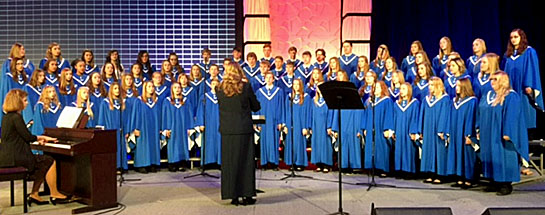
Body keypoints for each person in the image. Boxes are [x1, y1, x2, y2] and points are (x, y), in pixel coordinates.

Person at [0, 89, 69, 205]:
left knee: (43, 161)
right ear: (17, 102)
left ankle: (35, 193)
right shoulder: (16, 117)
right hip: (17, 157)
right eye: (25, 100)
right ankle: (54, 193)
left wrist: (39, 139)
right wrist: (42, 138)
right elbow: (28, 137)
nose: (27, 103)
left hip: (7, 156)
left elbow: (21, 137)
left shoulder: (7, 117)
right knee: (49, 160)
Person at [477, 71, 529, 195]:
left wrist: (508, 132)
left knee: (504, 155)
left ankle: (505, 184)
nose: (492, 82)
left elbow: (512, 116)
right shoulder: (488, 95)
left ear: (503, 81)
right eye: (491, 80)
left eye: (495, 80)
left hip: (501, 133)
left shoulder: (511, 96)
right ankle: (493, 181)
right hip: (488, 132)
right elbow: (480, 112)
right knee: (490, 154)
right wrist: (478, 128)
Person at [217, 63, 260, 205]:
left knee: (230, 163)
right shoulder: (245, 87)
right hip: (243, 129)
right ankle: (247, 195)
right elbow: (256, 106)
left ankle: (232, 195)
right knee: (246, 163)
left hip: (228, 131)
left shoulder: (219, 88)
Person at [502, 28, 543, 129]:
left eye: (516, 37)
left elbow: (532, 69)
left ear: (522, 38)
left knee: (525, 109)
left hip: (523, 87)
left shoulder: (529, 52)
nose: (513, 39)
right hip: (511, 87)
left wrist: (529, 84)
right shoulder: (508, 55)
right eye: (511, 37)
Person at [446, 78, 477, 189]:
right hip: (455, 132)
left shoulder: (472, 101)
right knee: (456, 153)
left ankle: (469, 179)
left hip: (465, 132)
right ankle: (459, 177)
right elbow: (449, 117)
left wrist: (469, 135)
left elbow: (471, 118)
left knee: (466, 154)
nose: (456, 88)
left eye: (458, 86)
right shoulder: (454, 101)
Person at [419, 77, 451, 184]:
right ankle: (430, 173)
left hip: (438, 129)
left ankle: (440, 174)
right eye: (429, 85)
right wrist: (421, 130)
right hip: (428, 128)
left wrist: (442, 130)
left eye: (432, 85)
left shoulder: (445, 99)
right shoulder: (426, 100)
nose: (429, 87)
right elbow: (422, 115)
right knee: (428, 149)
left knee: (439, 150)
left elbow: (445, 116)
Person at [362, 81, 394, 176]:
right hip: (370, 127)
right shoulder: (369, 101)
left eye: (378, 88)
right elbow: (365, 115)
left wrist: (387, 128)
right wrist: (364, 128)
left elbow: (389, 115)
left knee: (381, 147)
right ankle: (371, 167)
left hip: (381, 128)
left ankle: (382, 168)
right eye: (374, 87)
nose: (376, 89)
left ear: (383, 89)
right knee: (370, 147)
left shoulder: (386, 101)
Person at [255, 72, 284, 170]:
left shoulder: (279, 91)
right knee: (263, 142)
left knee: (274, 141)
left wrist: (280, 121)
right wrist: (258, 122)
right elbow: (257, 108)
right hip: (263, 120)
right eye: (266, 77)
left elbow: (281, 107)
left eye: (270, 77)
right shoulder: (259, 92)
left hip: (274, 120)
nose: (268, 79)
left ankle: (274, 163)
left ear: (273, 79)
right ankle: (264, 163)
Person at [161, 82, 192, 172]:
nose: (177, 89)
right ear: (172, 89)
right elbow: (164, 115)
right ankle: (172, 163)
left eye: (179, 87)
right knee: (172, 144)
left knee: (183, 143)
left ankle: (182, 163)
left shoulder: (185, 101)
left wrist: (190, 127)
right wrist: (165, 129)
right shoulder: (167, 101)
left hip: (183, 126)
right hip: (172, 126)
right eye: (175, 87)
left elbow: (189, 115)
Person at [393, 83, 420, 177]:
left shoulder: (414, 103)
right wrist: (394, 131)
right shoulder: (396, 104)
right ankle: (399, 169)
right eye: (400, 89)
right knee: (399, 148)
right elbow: (394, 118)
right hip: (399, 129)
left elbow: (415, 118)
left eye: (404, 89)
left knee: (409, 149)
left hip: (408, 130)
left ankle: (409, 170)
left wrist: (414, 131)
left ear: (409, 90)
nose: (401, 91)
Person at [283, 79, 311, 171]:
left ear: (301, 86)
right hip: (291, 124)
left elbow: (307, 113)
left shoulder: (306, 97)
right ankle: (292, 163)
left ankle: (300, 163)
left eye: (297, 84)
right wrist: (285, 125)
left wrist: (306, 127)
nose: (295, 86)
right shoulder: (289, 97)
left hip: (300, 124)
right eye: (294, 84)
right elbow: (286, 111)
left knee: (299, 143)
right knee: (291, 143)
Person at [195, 78, 222, 166]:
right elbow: (200, 111)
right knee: (208, 141)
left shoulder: (223, 96)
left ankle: (219, 162)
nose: (215, 85)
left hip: (220, 122)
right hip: (208, 123)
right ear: (210, 85)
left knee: (219, 141)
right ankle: (207, 162)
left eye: (217, 83)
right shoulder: (204, 97)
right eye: (213, 83)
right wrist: (201, 123)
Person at [310, 86, 333, 173]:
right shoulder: (314, 100)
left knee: (325, 144)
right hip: (316, 125)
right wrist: (310, 126)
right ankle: (318, 164)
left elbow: (331, 114)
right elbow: (311, 114)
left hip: (325, 125)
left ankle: (326, 164)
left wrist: (329, 126)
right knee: (317, 143)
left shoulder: (328, 100)